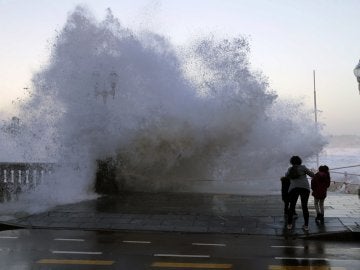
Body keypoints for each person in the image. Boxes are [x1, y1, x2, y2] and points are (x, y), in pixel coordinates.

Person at [285, 156, 315, 231]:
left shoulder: (290, 169)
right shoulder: (303, 167)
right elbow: (312, 175)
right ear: (299, 161)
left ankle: (289, 224)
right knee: (304, 206)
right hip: (304, 188)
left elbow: (286, 176)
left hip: (293, 188)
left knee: (292, 206)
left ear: (291, 162)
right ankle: (306, 226)